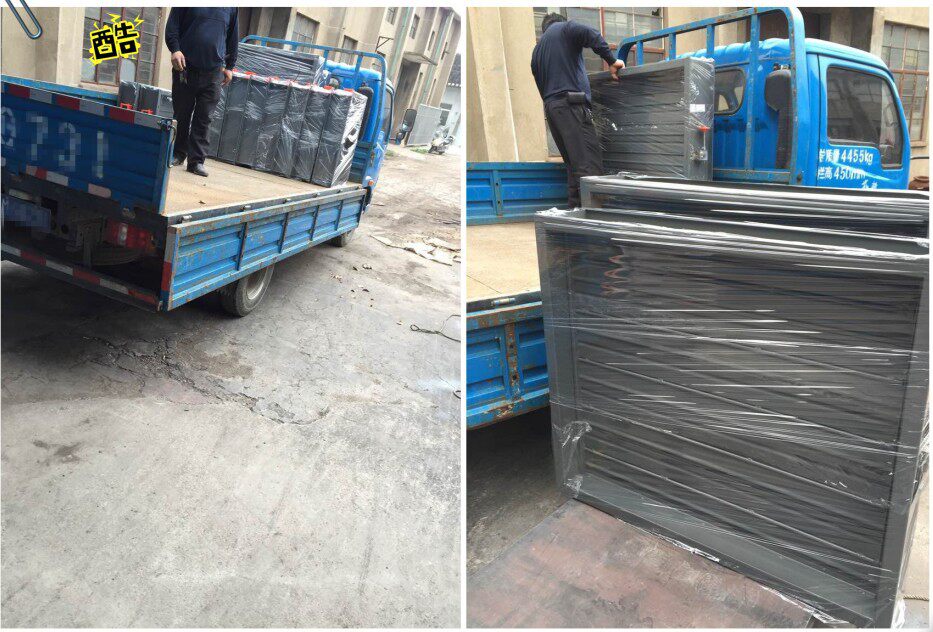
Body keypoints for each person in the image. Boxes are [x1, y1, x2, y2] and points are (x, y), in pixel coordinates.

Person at [531, 13, 625, 207]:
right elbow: (591, 34)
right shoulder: (565, 29)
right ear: (559, 22)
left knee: (574, 165)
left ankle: (576, 212)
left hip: (552, 110)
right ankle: (594, 216)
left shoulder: (536, 52)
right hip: (571, 106)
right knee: (589, 164)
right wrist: (611, 60)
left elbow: (541, 87)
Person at [165, 7, 239, 177]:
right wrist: (175, 49)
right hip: (184, 68)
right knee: (182, 113)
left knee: (204, 117)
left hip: (213, 71)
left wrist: (230, 66)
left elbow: (232, 37)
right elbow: (173, 26)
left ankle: (196, 161)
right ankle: (178, 153)